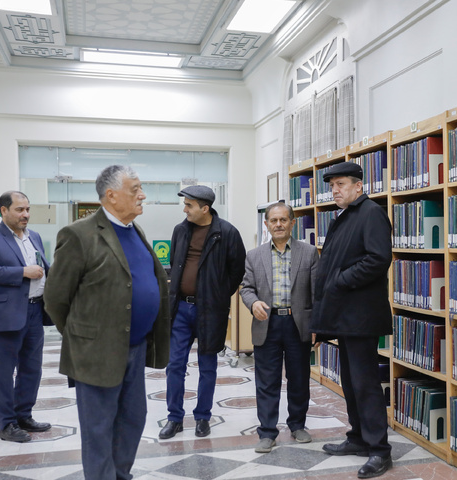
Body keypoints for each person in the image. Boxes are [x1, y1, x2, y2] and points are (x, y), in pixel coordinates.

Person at [43, 165, 171, 480]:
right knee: (98, 428)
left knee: (133, 418)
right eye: (135, 189)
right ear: (111, 196)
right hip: (97, 353)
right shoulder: (79, 234)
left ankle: (120, 474)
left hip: (135, 348)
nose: (142, 195)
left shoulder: (135, 231)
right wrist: (84, 337)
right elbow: (56, 299)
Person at [310, 162, 393, 479]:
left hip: (360, 315)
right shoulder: (344, 217)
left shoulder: (370, 212)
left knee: (366, 384)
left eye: (341, 184)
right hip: (344, 316)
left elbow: (378, 258)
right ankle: (358, 437)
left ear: (359, 186)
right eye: (332, 186)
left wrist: (342, 280)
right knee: (350, 381)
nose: (335, 190)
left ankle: (379, 450)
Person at [159, 185, 246, 440]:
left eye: (189, 205)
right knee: (175, 364)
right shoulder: (180, 231)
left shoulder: (227, 233)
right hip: (181, 309)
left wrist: (217, 295)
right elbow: (176, 263)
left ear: (204, 208)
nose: (184, 209)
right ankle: (174, 417)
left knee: (207, 366)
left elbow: (236, 271)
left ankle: (202, 417)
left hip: (210, 310)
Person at [240, 202, 319, 453]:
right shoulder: (254, 255)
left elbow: (317, 293)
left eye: (283, 220)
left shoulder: (308, 253)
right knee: (266, 381)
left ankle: (297, 425)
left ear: (292, 223)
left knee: (299, 378)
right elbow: (247, 288)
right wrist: (253, 304)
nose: (278, 225)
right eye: (273, 221)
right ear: (267, 225)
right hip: (267, 323)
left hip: (298, 324)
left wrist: (318, 325)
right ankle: (267, 431)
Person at [0, 191, 51, 443]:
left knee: (31, 368)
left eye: (27, 209)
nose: (25, 214)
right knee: (3, 372)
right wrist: (22, 272)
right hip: (5, 314)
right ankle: (5, 424)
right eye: (19, 210)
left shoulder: (34, 236)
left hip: (35, 311)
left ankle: (23, 414)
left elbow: (43, 266)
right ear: (3, 211)